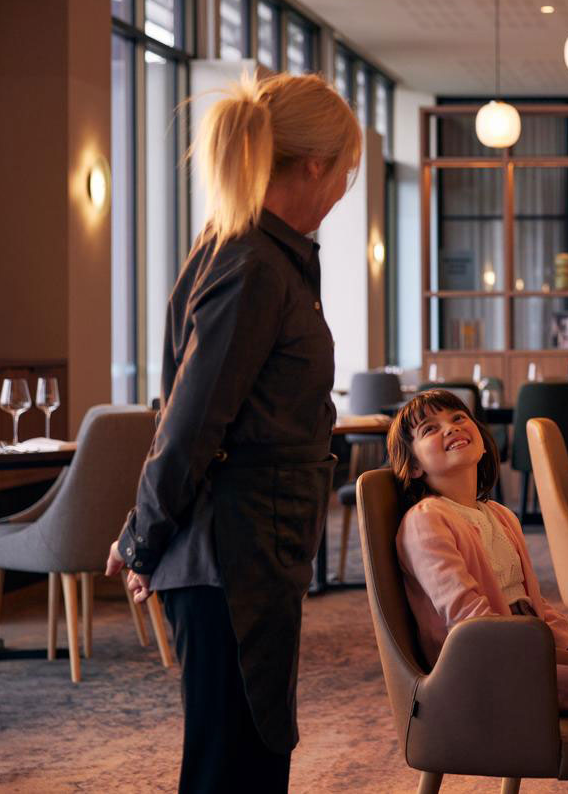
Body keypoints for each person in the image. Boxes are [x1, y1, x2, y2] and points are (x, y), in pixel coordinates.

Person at [104, 72, 361, 792]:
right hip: (230, 556)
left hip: (252, 549)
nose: (343, 190)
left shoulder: (265, 257)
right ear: (312, 164)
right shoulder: (251, 264)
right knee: (231, 765)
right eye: (345, 172)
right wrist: (142, 539)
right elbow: (189, 423)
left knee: (254, 752)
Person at [391, 390, 568, 774]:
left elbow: (537, 607)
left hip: (533, 653)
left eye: (458, 418)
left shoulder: (499, 515)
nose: (451, 428)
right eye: (431, 428)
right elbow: (474, 629)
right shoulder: (426, 520)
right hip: (487, 669)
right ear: (413, 467)